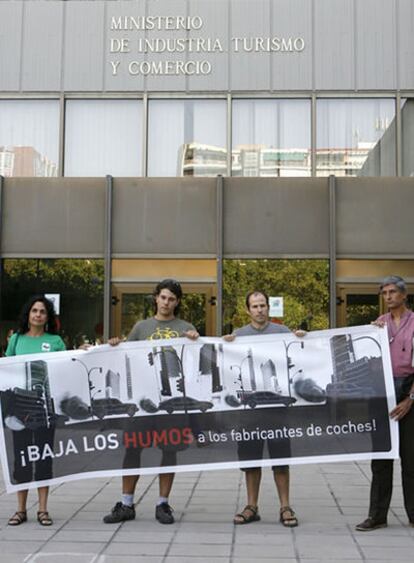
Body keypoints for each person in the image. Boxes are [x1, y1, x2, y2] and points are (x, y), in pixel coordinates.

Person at [103, 279, 199, 525]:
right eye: (163, 297)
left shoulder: (187, 327)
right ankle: (126, 503)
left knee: (169, 449)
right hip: (143, 401)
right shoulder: (141, 327)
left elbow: (197, 362)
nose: (166, 303)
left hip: (172, 401)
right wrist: (115, 345)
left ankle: (163, 503)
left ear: (177, 302)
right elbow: (126, 356)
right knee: (133, 448)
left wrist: (195, 341)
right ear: (156, 298)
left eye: (172, 299)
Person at [224, 290, 302, 527]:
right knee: (251, 460)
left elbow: (299, 358)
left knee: (280, 459)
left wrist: (302, 340)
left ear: (269, 308)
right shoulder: (237, 336)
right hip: (249, 411)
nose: (259, 310)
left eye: (263, 306)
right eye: (255, 306)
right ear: (247, 310)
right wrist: (224, 344)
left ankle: (285, 506)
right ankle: (251, 506)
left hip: (277, 409)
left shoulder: (283, 333)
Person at [356, 275, 414, 531]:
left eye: (392, 292)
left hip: (408, 388)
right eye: (384, 293)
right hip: (382, 391)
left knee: (410, 458)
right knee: (381, 457)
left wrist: (410, 399)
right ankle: (377, 515)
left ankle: (413, 514)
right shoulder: (378, 324)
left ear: (404, 294)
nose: (388, 296)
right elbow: (370, 360)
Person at [5, 295, 66, 527]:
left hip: (44, 409)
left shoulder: (56, 341)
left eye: (42, 311)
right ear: (28, 315)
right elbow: (7, 368)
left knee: (43, 456)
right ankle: (20, 509)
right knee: (21, 457)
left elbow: (65, 366)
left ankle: (42, 509)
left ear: (48, 316)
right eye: (34, 311)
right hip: (20, 407)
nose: (38, 314)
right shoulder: (17, 339)